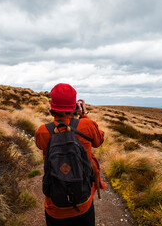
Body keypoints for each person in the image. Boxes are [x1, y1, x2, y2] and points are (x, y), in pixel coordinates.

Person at [35, 83, 105, 226]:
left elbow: (39, 145)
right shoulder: (86, 125)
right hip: (83, 200)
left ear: (52, 105)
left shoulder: (42, 131)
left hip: (55, 204)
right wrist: (84, 115)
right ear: (75, 105)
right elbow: (98, 140)